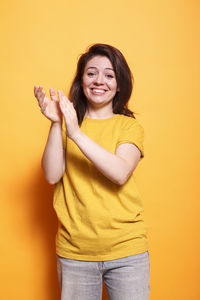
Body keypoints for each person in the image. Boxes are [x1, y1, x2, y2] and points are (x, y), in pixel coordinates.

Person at [34, 43, 150, 300]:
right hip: (75, 252)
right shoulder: (66, 124)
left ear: (119, 85)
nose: (99, 81)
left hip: (126, 250)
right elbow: (52, 175)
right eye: (91, 73)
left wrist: (75, 132)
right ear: (81, 80)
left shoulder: (128, 127)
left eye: (109, 75)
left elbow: (120, 173)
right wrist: (57, 125)